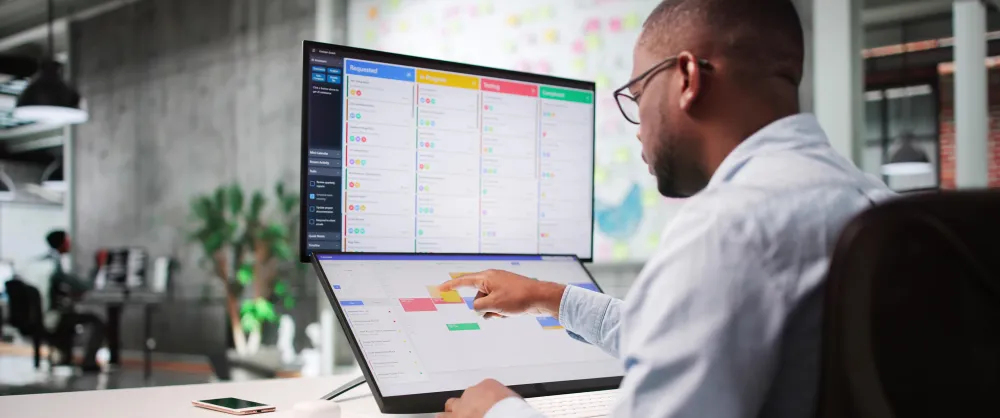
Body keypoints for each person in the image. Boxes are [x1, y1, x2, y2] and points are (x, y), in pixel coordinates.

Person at [435, 0, 894, 417]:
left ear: (687, 78)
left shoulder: (728, 230)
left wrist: (499, 412)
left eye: (637, 96)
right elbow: (690, 337)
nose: (638, 129)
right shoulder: (874, 204)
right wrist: (548, 296)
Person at [42, 230, 105, 372]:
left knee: (73, 315)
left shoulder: (44, 262)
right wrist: (98, 266)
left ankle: (66, 355)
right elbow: (85, 286)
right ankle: (89, 362)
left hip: (43, 316)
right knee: (98, 321)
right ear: (63, 243)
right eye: (68, 240)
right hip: (55, 317)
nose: (70, 244)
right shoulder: (56, 267)